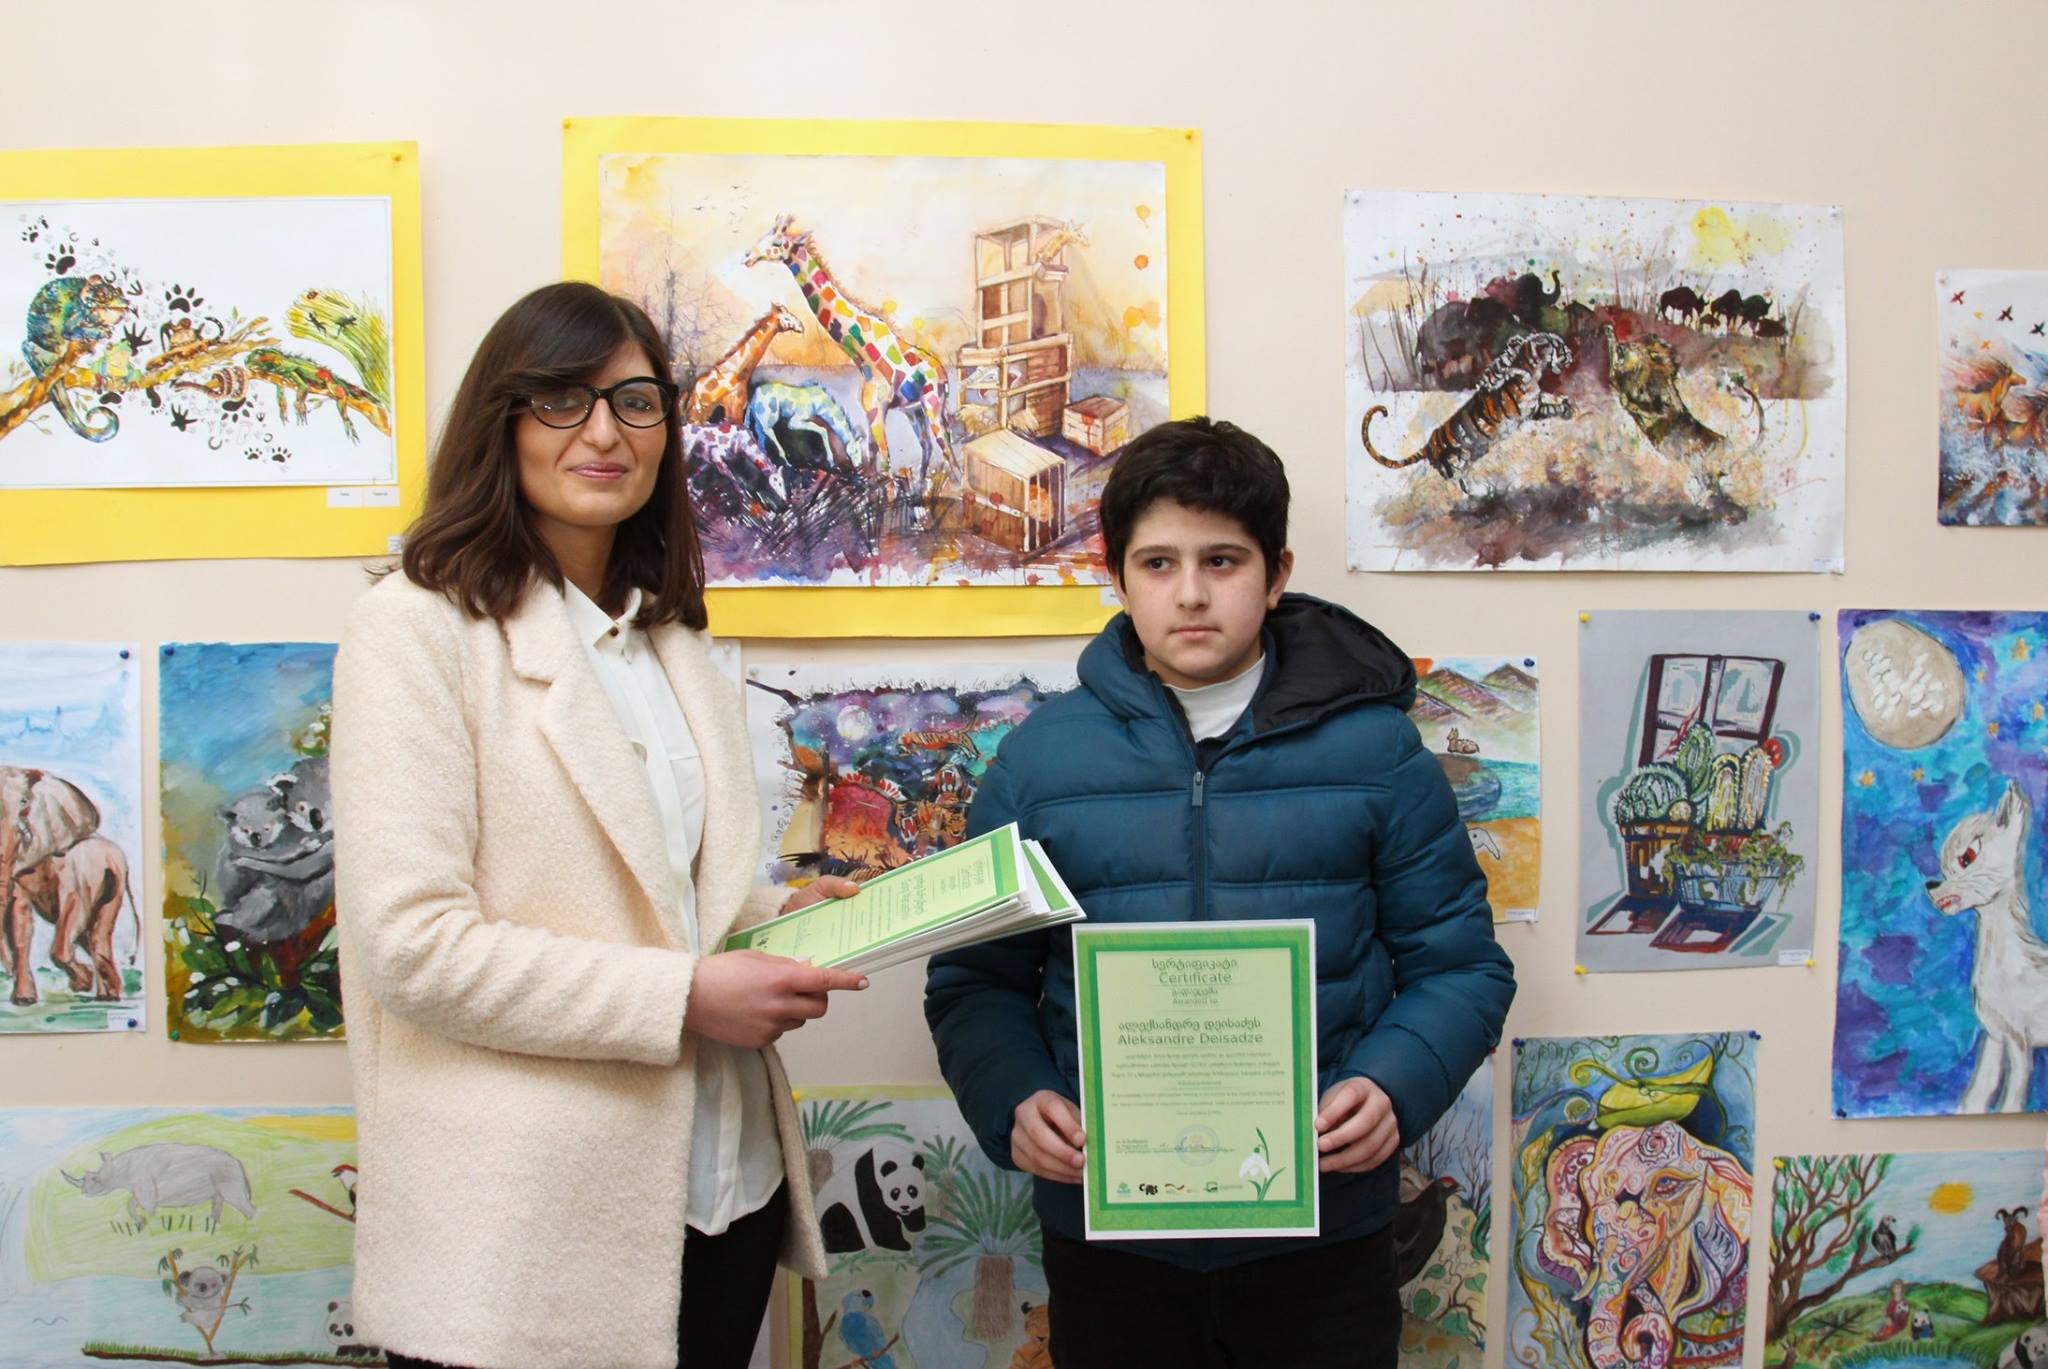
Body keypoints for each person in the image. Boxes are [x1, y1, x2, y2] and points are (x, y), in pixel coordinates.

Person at [332, 282, 865, 1369]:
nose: (605, 432)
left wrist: (772, 912)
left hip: (725, 1192)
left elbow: (654, 896)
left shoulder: (670, 640)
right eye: (562, 400)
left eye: (635, 401)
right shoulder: (415, 629)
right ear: (500, 421)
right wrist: (687, 997)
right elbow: (412, 947)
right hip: (528, 1232)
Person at [924, 416, 1515, 1368]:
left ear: (1276, 575)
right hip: (1111, 1240)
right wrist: (1016, 1096)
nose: (1191, 592)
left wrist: (1392, 1084)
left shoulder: (1378, 753)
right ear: (1115, 577)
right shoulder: (1037, 763)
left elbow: (1463, 967)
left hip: (1324, 1234)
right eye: (1158, 563)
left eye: (1223, 561)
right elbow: (975, 981)